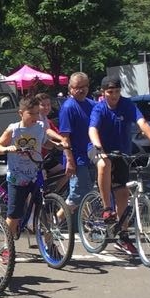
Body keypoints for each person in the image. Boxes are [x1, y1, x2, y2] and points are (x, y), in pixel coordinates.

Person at [88, 75, 150, 257]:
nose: (114, 95)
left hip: (121, 151)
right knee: (104, 163)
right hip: (99, 148)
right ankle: (107, 208)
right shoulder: (100, 109)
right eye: (110, 92)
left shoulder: (127, 104)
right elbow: (92, 130)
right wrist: (99, 147)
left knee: (122, 193)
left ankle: (122, 235)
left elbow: (142, 123)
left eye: (116, 91)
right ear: (103, 92)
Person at [0, 97, 69, 240]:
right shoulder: (14, 129)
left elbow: (46, 142)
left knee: (45, 212)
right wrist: (8, 148)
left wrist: (59, 144)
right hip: (17, 176)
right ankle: (7, 247)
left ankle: (50, 246)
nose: (35, 117)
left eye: (36, 113)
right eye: (31, 114)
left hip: (36, 173)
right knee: (14, 215)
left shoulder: (40, 126)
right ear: (21, 113)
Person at [57, 72, 95, 213]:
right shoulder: (68, 107)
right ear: (70, 88)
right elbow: (65, 137)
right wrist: (69, 160)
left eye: (84, 86)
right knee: (77, 197)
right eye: (76, 87)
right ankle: (55, 223)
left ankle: (89, 226)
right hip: (77, 158)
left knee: (90, 194)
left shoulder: (92, 104)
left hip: (92, 155)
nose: (81, 90)